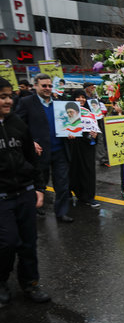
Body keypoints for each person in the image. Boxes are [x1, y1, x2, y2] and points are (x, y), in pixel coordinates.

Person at [0, 77, 51, 304]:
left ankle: (30, 284)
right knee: (8, 242)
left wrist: (39, 188)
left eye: (9, 96)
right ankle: (2, 282)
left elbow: (32, 159)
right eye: (2, 97)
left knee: (29, 243)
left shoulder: (18, 124)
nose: (8, 101)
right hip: (2, 199)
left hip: (25, 192)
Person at [16, 73, 74, 222]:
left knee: (62, 184)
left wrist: (71, 132)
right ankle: (37, 208)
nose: (48, 88)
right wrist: (30, 142)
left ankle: (61, 213)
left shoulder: (59, 103)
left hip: (60, 150)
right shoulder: (26, 102)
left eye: (49, 85)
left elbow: (69, 123)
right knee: (39, 183)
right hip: (39, 152)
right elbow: (18, 126)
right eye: (44, 86)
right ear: (35, 86)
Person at [67, 89, 99, 209]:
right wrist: (68, 135)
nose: (81, 99)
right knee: (74, 170)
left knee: (88, 171)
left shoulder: (90, 112)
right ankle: (72, 191)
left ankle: (88, 196)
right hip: (73, 146)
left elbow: (96, 128)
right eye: (78, 97)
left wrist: (95, 134)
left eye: (83, 97)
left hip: (87, 147)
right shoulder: (67, 112)